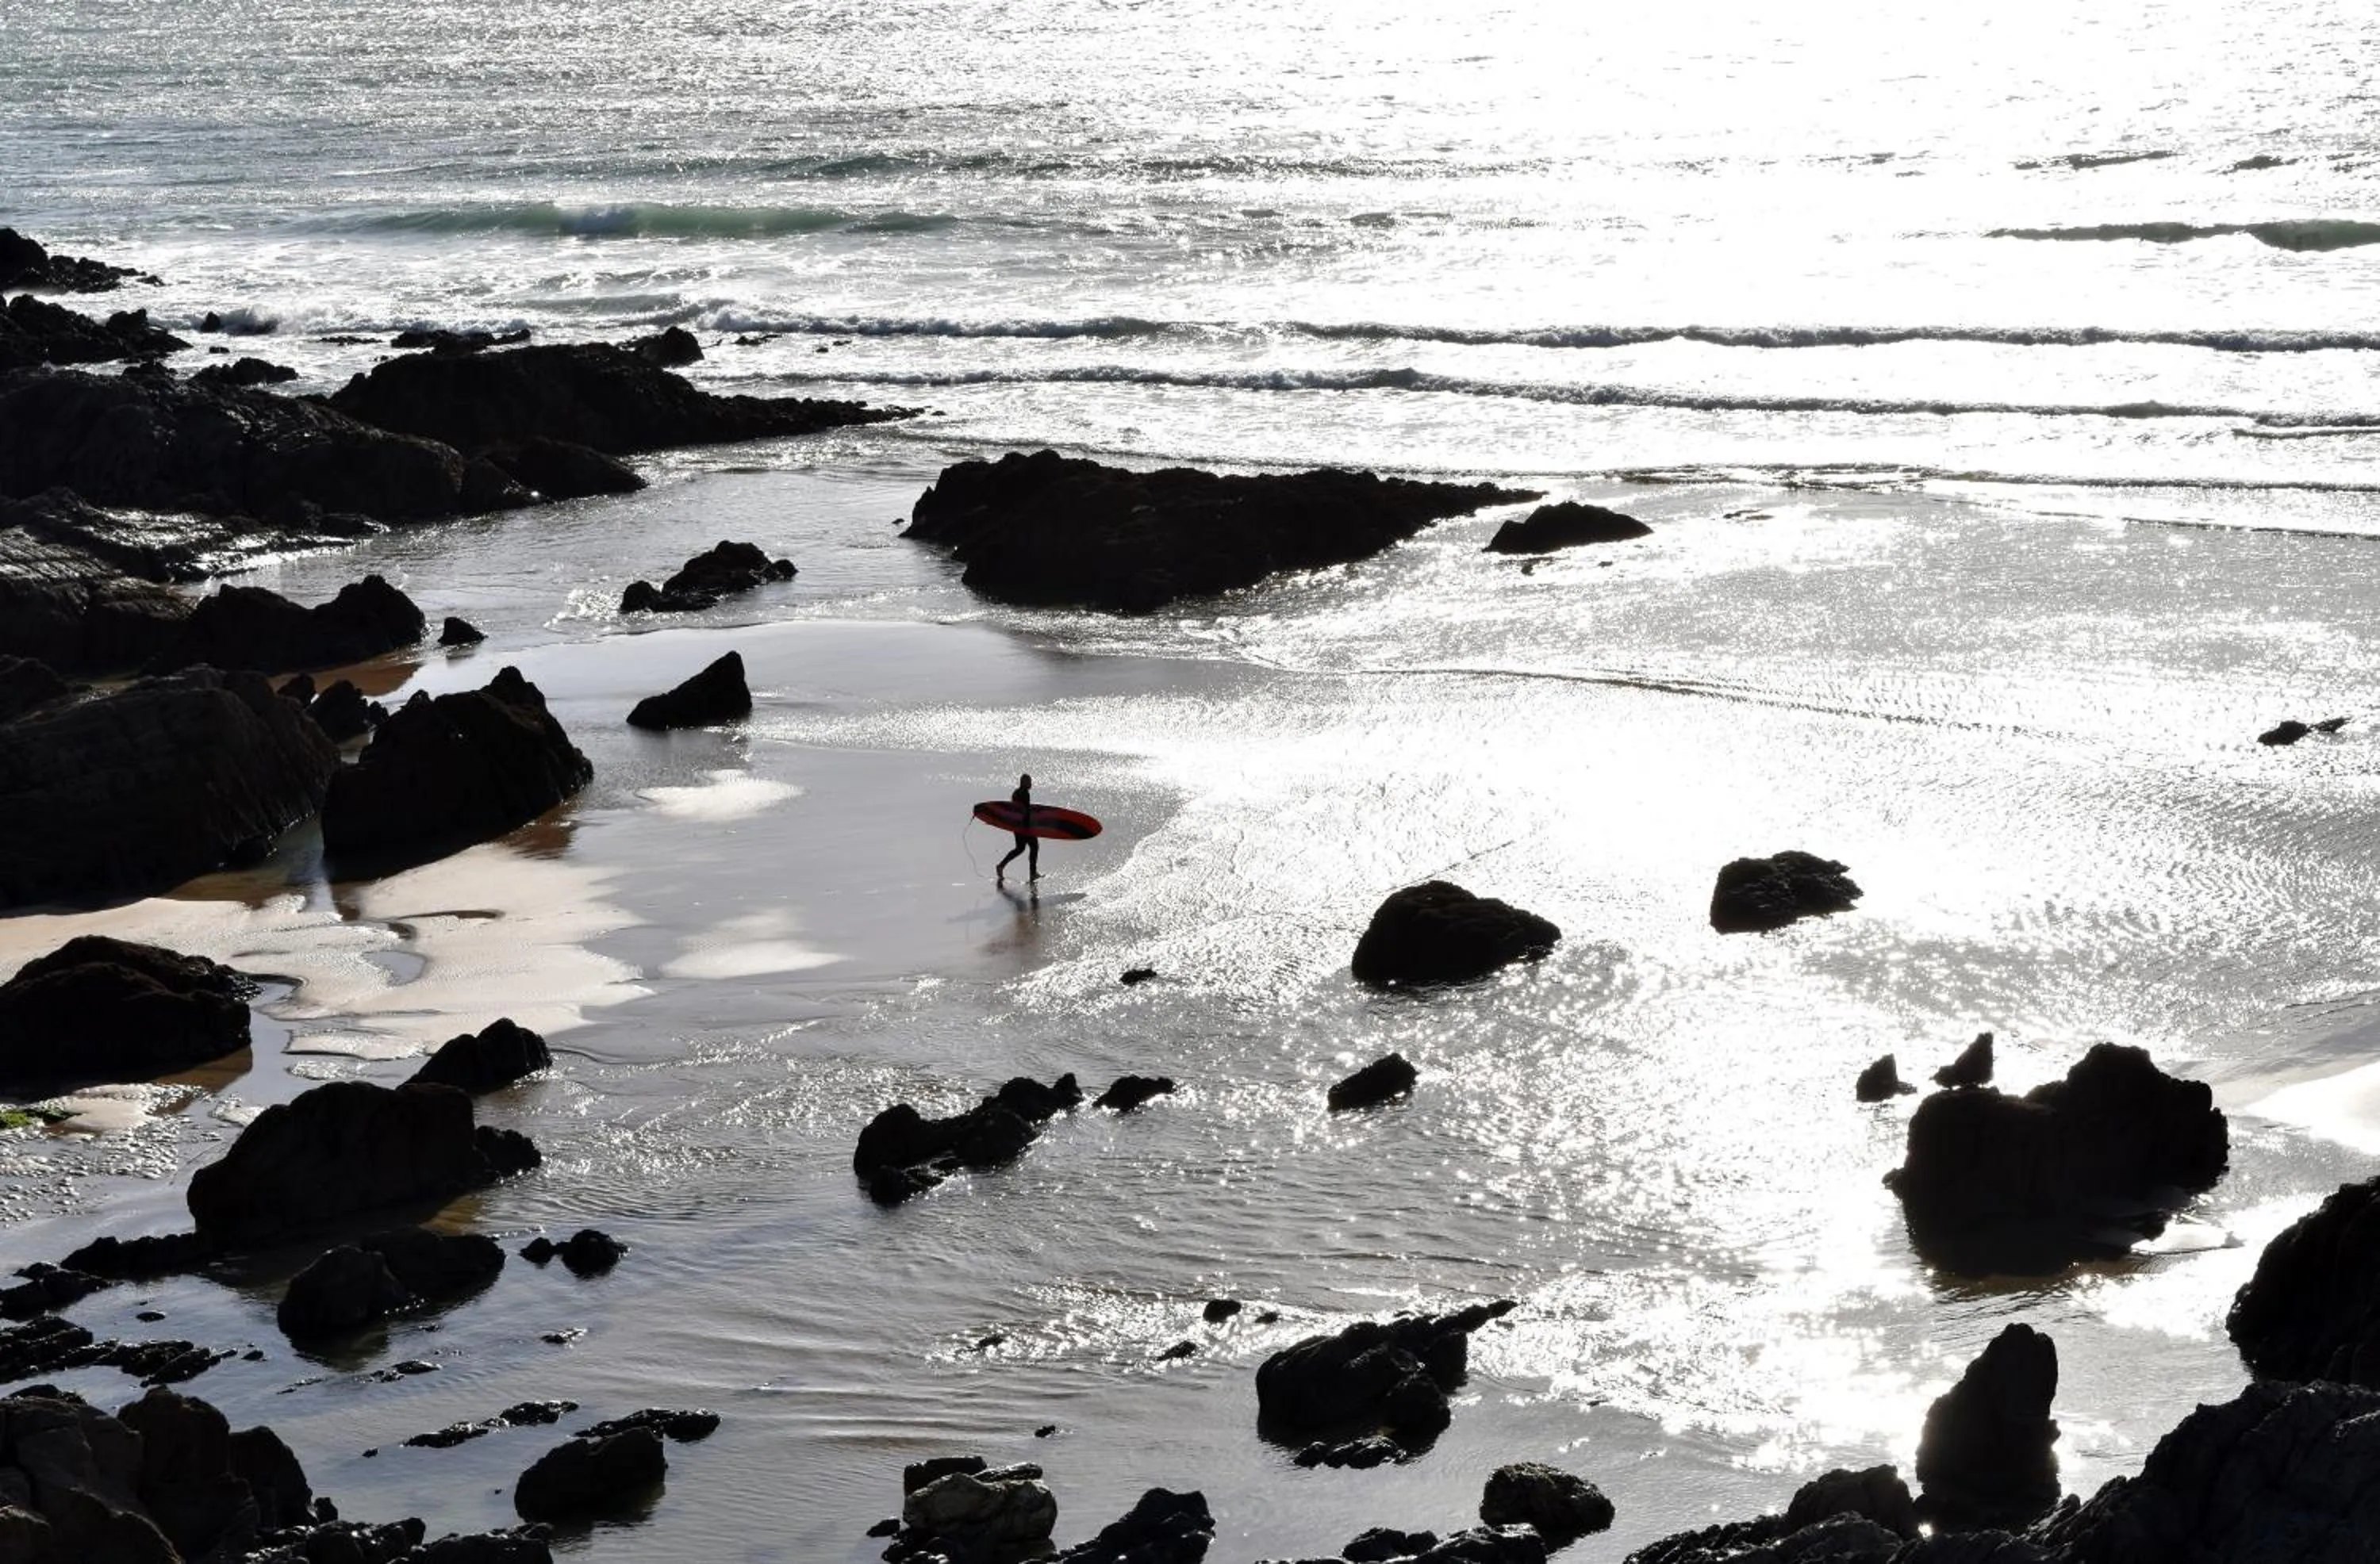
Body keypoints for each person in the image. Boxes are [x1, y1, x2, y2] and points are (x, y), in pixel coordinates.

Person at [996, 772, 1040, 882]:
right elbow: (1025, 811)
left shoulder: (1016, 792)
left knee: (1020, 849)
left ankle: (1001, 866)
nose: (1031, 783)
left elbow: (1015, 810)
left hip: (1017, 826)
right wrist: (1028, 828)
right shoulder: (1025, 793)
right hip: (1024, 827)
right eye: (1029, 781)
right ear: (1024, 782)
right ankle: (1033, 873)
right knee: (1034, 846)